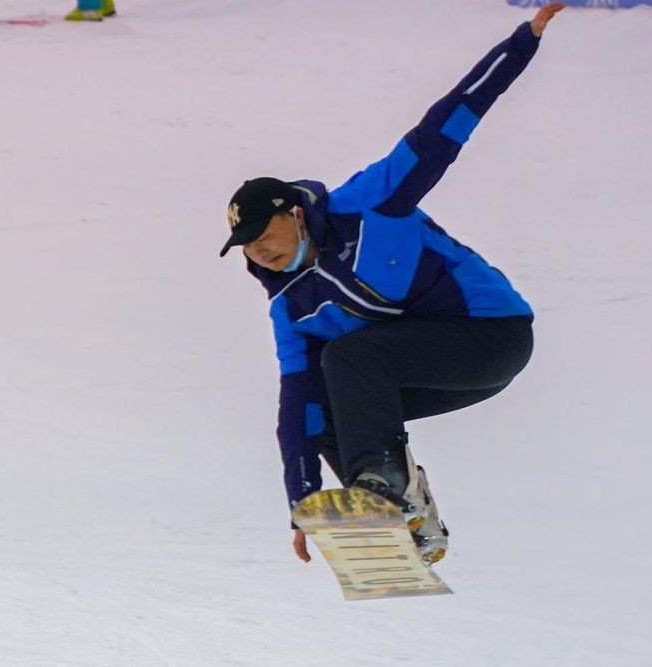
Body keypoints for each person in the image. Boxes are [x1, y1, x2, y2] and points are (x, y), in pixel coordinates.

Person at [219, 4, 564, 566]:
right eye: (247, 245)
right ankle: (406, 516)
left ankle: (382, 482)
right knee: (324, 398)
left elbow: (447, 124)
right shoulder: (290, 306)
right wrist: (304, 501)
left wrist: (522, 42)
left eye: (264, 233)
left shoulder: (371, 204)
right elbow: (297, 411)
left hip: (492, 338)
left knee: (350, 356)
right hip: (426, 368)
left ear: (296, 214)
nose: (259, 250)